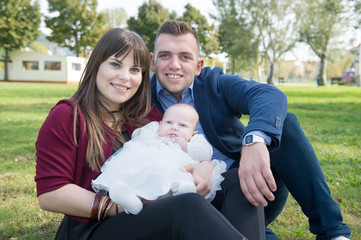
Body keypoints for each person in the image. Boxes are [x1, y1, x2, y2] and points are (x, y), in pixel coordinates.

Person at [34, 27, 264, 240]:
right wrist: (116, 207)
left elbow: (180, 151)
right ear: (96, 65)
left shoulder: (144, 114)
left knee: (237, 180)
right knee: (186, 206)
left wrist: (206, 168)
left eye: (135, 70)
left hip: (147, 215)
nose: (125, 77)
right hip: (93, 227)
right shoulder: (68, 115)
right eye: (115, 65)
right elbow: (51, 193)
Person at [149, 20, 351, 240]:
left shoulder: (214, 84)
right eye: (165, 55)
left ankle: (333, 233)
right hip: (186, 201)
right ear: (153, 61)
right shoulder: (140, 97)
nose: (174, 65)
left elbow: (268, 96)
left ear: (198, 65)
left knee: (286, 124)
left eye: (185, 57)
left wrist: (253, 141)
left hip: (246, 186)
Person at [91, 103, 226, 215]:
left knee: (182, 175)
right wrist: (154, 138)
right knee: (138, 175)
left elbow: (206, 152)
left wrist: (186, 146)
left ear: (193, 132)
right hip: (152, 169)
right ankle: (131, 200)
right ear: (160, 123)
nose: (174, 127)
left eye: (182, 125)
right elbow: (136, 134)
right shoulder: (154, 129)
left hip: (178, 168)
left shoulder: (194, 140)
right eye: (169, 122)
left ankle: (182, 190)